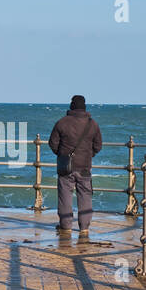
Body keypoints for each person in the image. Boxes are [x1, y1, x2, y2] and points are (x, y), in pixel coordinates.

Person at [48, 95, 102, 241]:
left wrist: (62, 155)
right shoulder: (92, 124)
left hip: (66, 166)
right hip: (85, 166)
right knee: (85, 196)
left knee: (65, 196)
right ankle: (84, 228)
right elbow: (98, 145)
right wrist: (89, 155)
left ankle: (65, 226)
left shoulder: (62, 122)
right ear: (84, 107)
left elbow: (52, 143)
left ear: (71, 106)